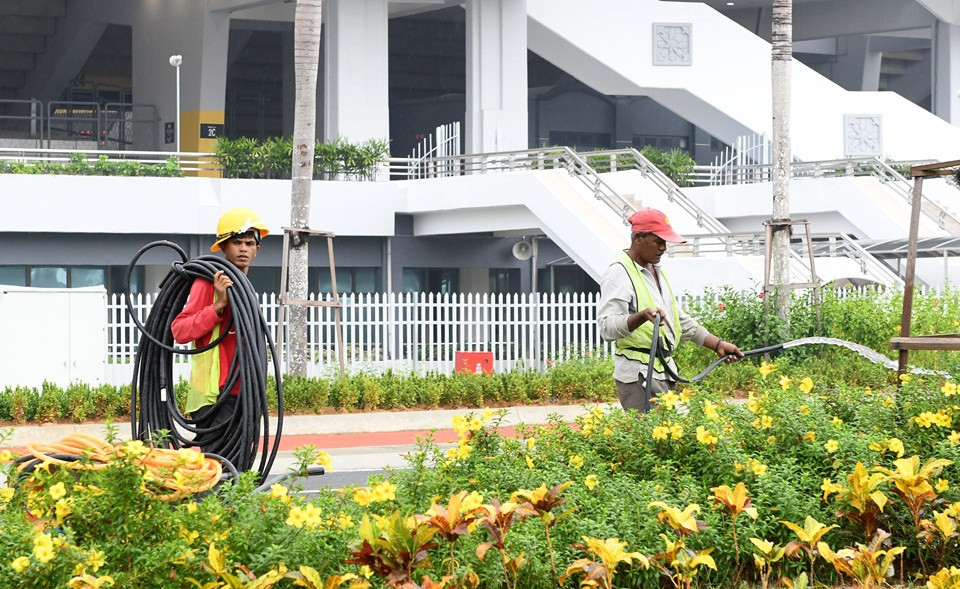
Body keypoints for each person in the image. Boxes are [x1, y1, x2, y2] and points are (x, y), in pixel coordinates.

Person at [597, 208, 743, 412]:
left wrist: (717, 344)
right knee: (653, 438)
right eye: (658, 241)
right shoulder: (619, 274)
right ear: (638, 238)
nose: (664, 248)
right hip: (639, 375)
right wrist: (641, 317)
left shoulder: (655, 270)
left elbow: (678, 319)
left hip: (664, 371)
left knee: (670, 438)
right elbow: (606, 328)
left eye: (665, 242)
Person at [171, 207, 269, 428]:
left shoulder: (246, 288)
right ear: (223, 247)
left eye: (249, 244)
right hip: (214, 395)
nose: (243, 249)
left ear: (257, 249)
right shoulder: (208, 283)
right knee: (219, 460)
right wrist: (218, 306)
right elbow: (180, 331)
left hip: (245, 391)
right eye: (237, 243)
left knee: (241, 459)